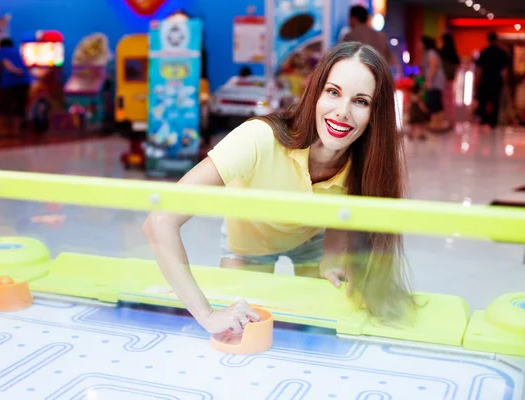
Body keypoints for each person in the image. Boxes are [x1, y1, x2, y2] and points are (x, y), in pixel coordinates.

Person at [143, 41, 415, 335]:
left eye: (360, 101)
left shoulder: (365, 161)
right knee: (240, 334)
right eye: (333, 92)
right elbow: (159, 221)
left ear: (376, 113)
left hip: (312, 240)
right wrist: (207, 315)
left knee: (323, 330)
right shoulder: (258, 139)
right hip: (248, 244)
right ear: (316, 93)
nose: (342, 112)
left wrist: (334, 256)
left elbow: (343, 206)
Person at [0, 38, 31, 136]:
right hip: (24, 83)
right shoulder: (17, 52)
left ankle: (2, 131)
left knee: (5, 107)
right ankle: (17, 131)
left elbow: (6, 64)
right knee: (19, 107)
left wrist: (16, 71)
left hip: (9, 83)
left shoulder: (1, 51)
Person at [475, 32, 510, 129]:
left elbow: (479, 69)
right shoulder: (501, 52)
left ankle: (484, 120)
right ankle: (493, 122)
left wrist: (477, 81)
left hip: (485, 80)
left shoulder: (484, 52)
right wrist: (505, 81)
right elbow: (505, 70)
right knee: (496, 101)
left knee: (483, 100)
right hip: (496, 80)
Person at [420, 36, 447, 132]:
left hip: (435, 82)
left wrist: (428, 80)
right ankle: (437, 124)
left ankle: (436, 124)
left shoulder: (430, 53)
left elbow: (433, 65)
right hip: (437, 82)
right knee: (436, 102)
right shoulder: (431, 53)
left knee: (434, 101)